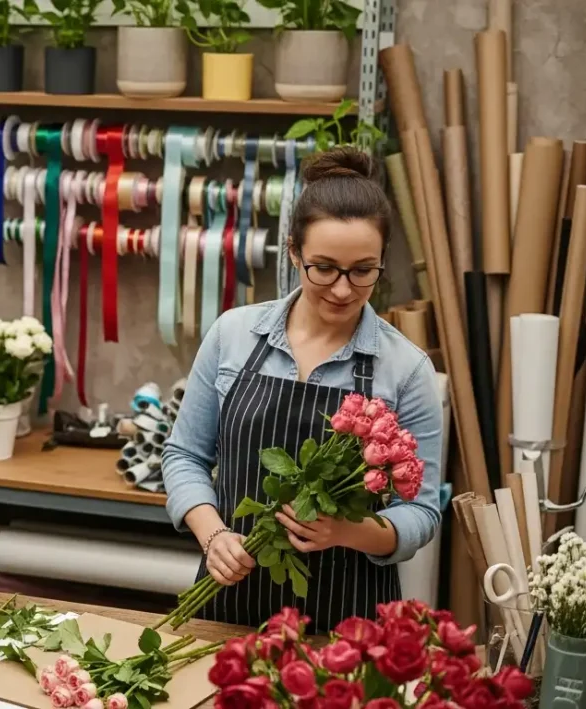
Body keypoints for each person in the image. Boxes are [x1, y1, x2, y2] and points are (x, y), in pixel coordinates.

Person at [161, 147, 443, 631]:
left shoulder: (407, 369)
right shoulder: (233, 335)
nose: (342, 289)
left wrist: (348, 531)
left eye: (363, 270)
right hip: (230, 602)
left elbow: (421, 512)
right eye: (324, 267)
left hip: (346, 621)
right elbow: (184, 454)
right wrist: (214, 536)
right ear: (293, 252)